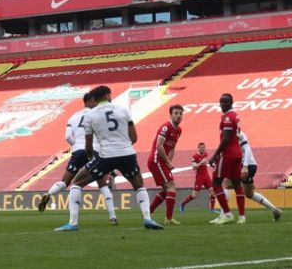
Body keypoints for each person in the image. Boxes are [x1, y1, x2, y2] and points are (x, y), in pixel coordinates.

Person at [55, 85, 163, 231]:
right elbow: (134, 137)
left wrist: (92, 159)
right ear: (107, 95)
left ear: (95, 99)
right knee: (138, 185)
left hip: (106, 156)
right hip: (127, 153)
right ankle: (147, 218)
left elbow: (88, 146)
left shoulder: (90, 116)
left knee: (76, 182)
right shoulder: (123, 110)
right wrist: (123, 147)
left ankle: (72, 223)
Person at [38, 92, 118, 226]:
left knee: (65, 182)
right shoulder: (97, 116)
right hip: (94, 152)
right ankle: (112, 216)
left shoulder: (73, 117)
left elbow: (68, 137)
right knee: (102, 183)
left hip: (78, 151)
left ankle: (49, 194)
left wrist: (76, 146)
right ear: (90, 101)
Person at [207, 93, 247, 225]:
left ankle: (227, 214)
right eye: (221, 102)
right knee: (236, 184)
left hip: (228, 154)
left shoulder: (228, 118)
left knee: (216, 182)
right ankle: (242, 217)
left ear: (231, 103)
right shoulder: (235, 115)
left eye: (225, 102)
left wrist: (214, 156)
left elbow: (225, 139)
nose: (222, 105)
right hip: (237, 153)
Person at [227, 131, 282, 221]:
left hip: (247, 165)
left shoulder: (239, 134)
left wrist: (245, 167)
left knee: (225, 183)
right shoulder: (229, 135)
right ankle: (275, 210)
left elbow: (247, 149)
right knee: (249, 194)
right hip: (248, 165)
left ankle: (226, 215)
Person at [147, 104, 184, 225]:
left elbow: (172, 148)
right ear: (171, 114)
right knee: (172, 187)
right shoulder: (165, 127)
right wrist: (167, 162)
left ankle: (149, 211)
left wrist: (169, 163)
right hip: (156, 160)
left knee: (167, 189)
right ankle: (168, 218)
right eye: (176, 113)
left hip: (162, 161)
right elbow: (159, 145)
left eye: (180, 113)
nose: (179, 116)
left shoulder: (178, 130)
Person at [178, 142, 216, 213]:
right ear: (198, 148)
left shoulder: (205, 154)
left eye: (204, 147)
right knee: (194, 196)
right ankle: (182, 204)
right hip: (199, 178)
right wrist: (201, 162)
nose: (203, 149)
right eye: (201, 147)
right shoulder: (195, 156)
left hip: (206, 177)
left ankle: (212, 210)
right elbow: (194, 167)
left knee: (212, 192)